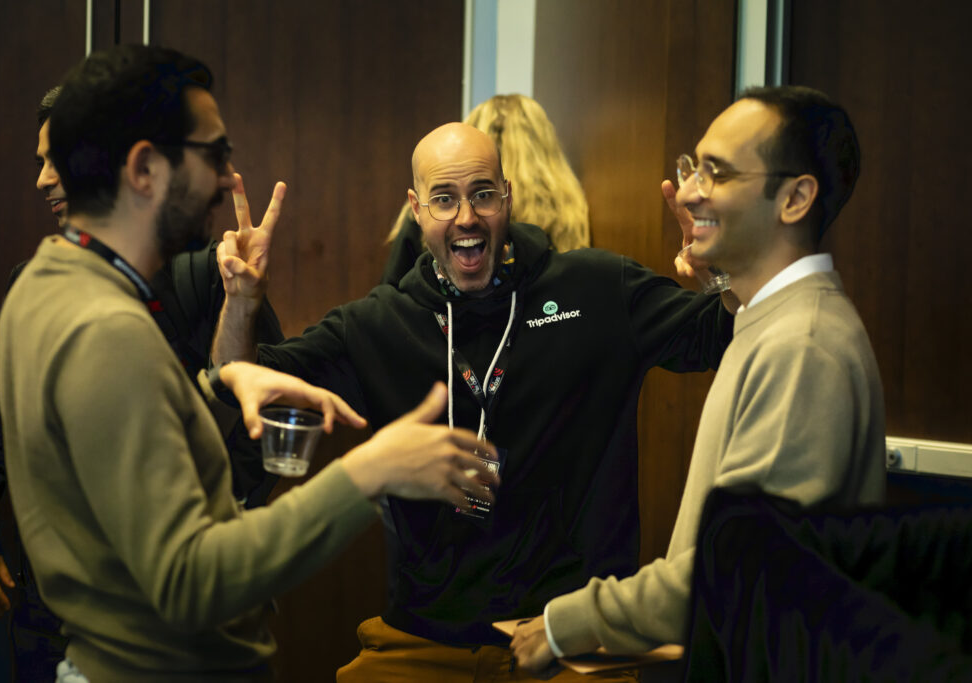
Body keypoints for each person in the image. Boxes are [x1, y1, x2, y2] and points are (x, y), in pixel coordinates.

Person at [0, 45, 497, 682]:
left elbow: (115, 466)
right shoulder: (109, 330)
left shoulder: (45, 284)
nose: (227, 178)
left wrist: (218, 381)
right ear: (145, 168)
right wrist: (369, 474)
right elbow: (190, 582)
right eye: (212, 154)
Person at [211, 120, 734, 680]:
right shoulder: (376, 324)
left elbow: (725, 336)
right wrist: (242, 301)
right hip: (426, 639)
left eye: (483, 194)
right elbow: (243, 390)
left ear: (507, 197)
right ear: (416, 209)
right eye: (444, 199)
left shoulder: (599, 289)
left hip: (569, 639)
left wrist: (724, 272)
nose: (466, 217)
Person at [510, 85, 886, 672]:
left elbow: (735, 568)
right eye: (692, 167)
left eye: (716, 172)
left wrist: (569, 622)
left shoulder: (803, 348)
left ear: (794, 198)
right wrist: (720, 278)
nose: (686, 192)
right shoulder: (768, 323)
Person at [0, 86, 285, 679]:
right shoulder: (35, 282)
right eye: (41, 163)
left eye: (60, 161)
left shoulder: (219, 276)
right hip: (51, 610)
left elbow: (263, 434)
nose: (43, 181)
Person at [382, 93, 590, 286]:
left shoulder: (432, 205)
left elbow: (395, 290)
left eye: (483, 195)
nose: (467, 219)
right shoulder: (569, 208)